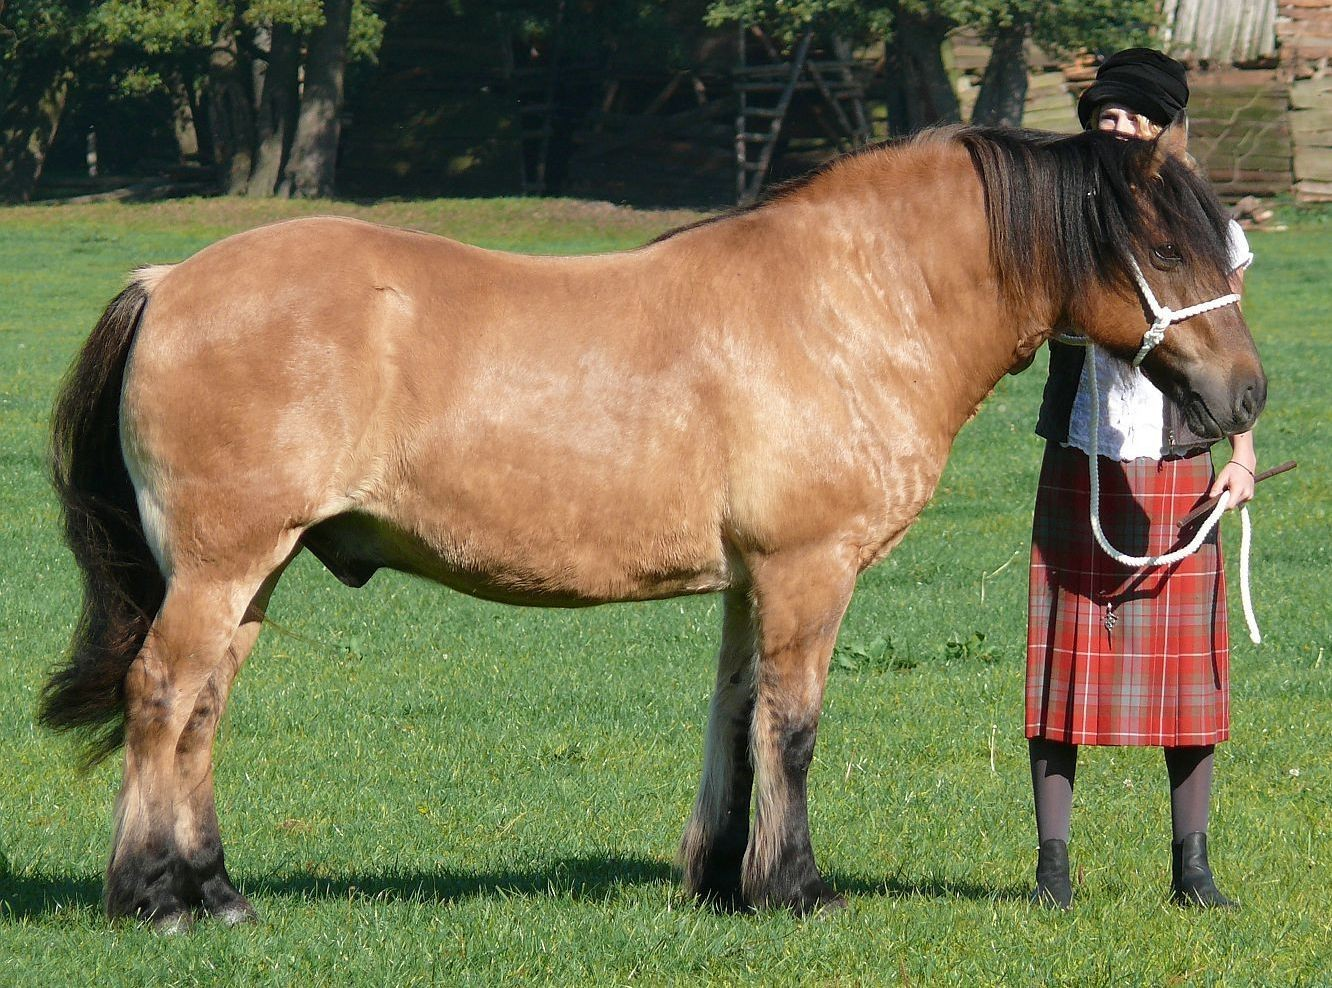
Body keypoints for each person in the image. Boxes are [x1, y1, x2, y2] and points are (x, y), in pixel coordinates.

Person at [1022, 48, 1257, 910]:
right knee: (1060, 674)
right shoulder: (1054, 216)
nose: (1116, 129)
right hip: (1079, 457)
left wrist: (1243, 454)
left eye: (1134, 117)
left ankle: (1192, 871)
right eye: (1105, 116)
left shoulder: (1205, 222)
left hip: (1178, 463)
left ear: (1164, 127)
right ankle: (1052, 872)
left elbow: (1229, 342)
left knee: (1190, 680)